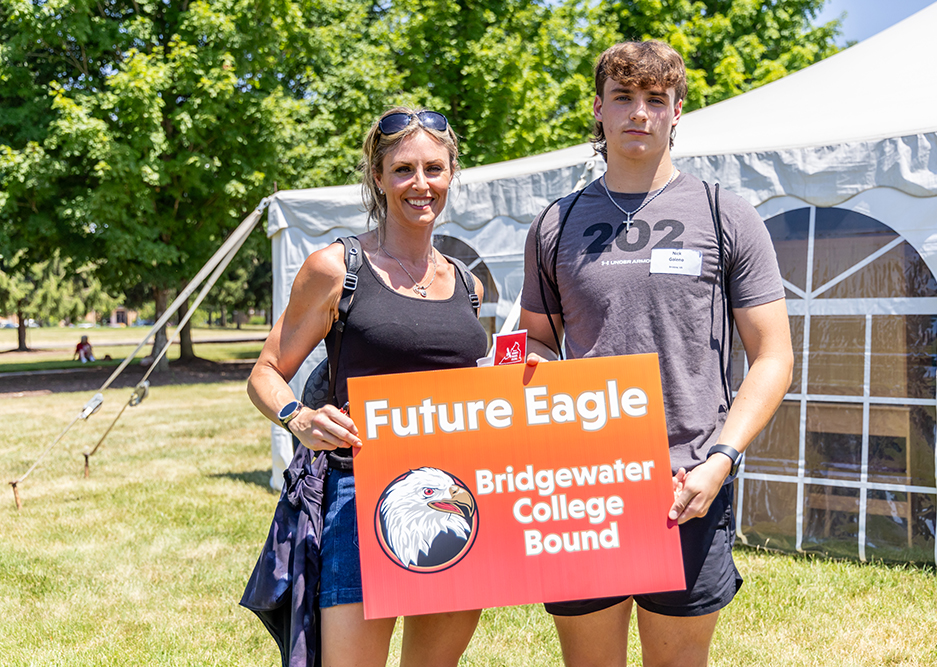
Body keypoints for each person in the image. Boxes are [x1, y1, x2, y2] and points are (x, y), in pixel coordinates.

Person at [520, 40, 794, 667]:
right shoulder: (556, 224)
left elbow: (774, 355)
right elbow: (533, 338)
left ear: (676, 113)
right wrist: (524, 370)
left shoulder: (726, 213)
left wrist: (721, 460)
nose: (638, 113)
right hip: (582, 483)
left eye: (654, 100)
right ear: (598, 109)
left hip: (688, 480)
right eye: (623, 98)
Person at [247, 107, 487, 667]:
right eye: (403, 169)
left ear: (451, 173)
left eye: (434, 168)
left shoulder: (467, 284)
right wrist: (298, 419)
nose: (420, 184)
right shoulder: (337, 267)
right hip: (359, 497)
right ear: (377, 177)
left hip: (455, 497)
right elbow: (265, 373)